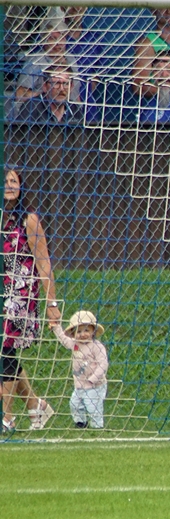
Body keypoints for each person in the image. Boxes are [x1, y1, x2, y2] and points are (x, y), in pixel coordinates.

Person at [1, 169, 61, 432]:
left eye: (13, 181)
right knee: (6, 353)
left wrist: (52, 304)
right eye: (5, 181)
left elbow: (44, 263)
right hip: (2, 293)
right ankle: (36, 405)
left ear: (22, 187)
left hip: (21, 297)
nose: (9, 185)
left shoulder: (29, 220)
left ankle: (6, 417)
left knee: (6, 351)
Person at [51, 310, 109, 429]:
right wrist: (56, 327)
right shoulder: (75, 344)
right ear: (73, 333)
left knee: (93, 406)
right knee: (75, 404)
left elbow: (103, 364)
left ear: (93, 331)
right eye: (79, 331)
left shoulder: (96, 346)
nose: (82, 334)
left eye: (86, 330)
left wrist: (93, 379)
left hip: (95, 385)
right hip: (80, 384)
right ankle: (80, 422)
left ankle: (97, 426)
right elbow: (64, 340)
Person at [14, 69, 79, 124]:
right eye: (56, 83)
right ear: (45, 86)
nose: (61, 88)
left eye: (66, 83)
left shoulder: (74, 109)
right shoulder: (31, 107)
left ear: (71, 87)